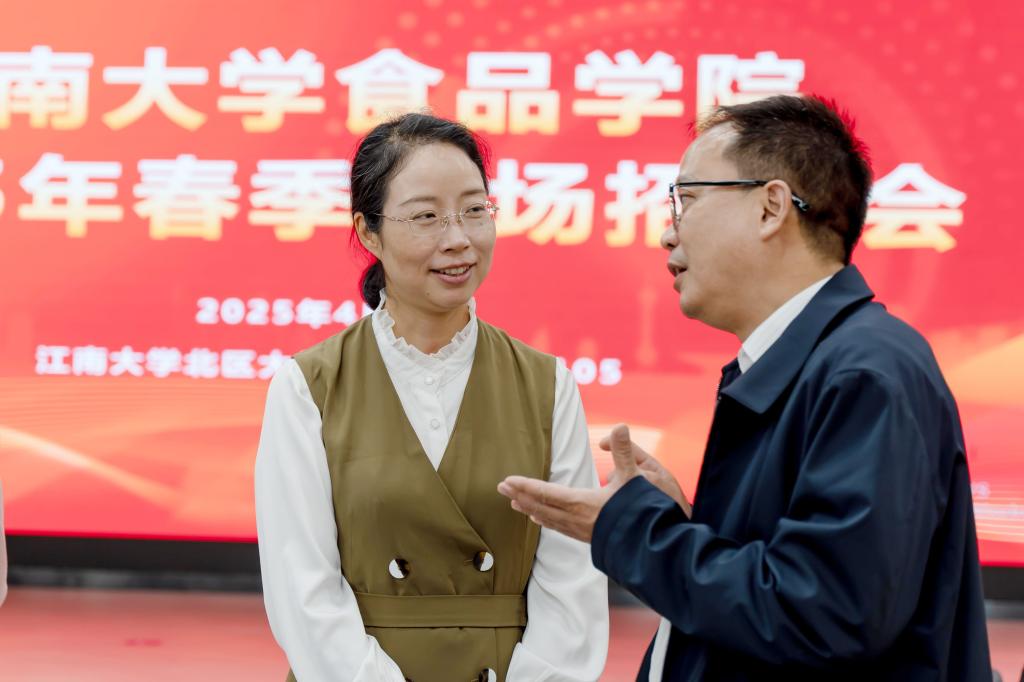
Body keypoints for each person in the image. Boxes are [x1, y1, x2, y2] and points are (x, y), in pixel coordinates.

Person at [498, 95, 992, 680]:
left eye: (687, 200)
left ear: (770, 207)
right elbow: (779, 582)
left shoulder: (866, 372)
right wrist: (685, 525)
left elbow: (824, 615)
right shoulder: (813, 362)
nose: (667, 233)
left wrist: (630, 528)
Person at [255, 112, 608, 682]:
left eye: (474, 210)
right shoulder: (307, 386)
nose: (458, 239)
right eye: (426, 216)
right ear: (369, 232)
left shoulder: (547, 384)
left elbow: (572, 580)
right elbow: (301, 587)